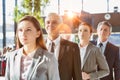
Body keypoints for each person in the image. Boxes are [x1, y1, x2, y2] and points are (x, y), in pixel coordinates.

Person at [5, 15, 60, 80]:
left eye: (28, 30)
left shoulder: (49, 58)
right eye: (20, 30)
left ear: (38, 33)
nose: (23, 34)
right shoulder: (11, 57)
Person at [45, 12, 82, 80]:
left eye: (54, 22)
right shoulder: (37, 46)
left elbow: (77, 76)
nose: (50, 25)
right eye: (48, 22)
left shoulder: (72, 47)